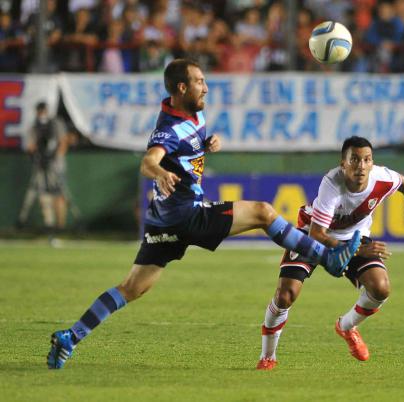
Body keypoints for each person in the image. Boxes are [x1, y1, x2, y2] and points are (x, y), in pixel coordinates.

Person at [46, 59, 362, 370]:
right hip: (188, 215)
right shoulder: (169, 128)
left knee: (131, 288)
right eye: (199, 82)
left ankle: (70, 337)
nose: (206, 87)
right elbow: (149, 161)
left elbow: (184, 150)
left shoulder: (191, 113)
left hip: (162, 222)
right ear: (182, 88)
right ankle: (327, 258)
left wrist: (205, 146)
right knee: (263, 213)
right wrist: (159, 172)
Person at [256, 136, 404, 370]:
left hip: (353, 237)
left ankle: (346, 327)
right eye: (355, 160)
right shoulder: (332, 184)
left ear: (372, 163)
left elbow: (402, 180)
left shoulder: (382, 178)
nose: (361, 166)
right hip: (311, 234)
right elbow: (317, 234)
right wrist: (359, 250)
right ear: (343, 164)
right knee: (285, 295)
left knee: (381, 288)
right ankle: (268, 356)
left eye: (367, 160)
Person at [17, 102, 69, 229]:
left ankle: (60, 226)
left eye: (44, 111)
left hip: (56, 165)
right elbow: (30, 146)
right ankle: (49, 224)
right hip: (41, 164)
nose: (42, 114)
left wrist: (54, 158)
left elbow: (63, 142)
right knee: (44, 194)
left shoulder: (56, 124)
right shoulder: (34, 127)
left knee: (59, 194)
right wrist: (38, 158)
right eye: (40, 111)